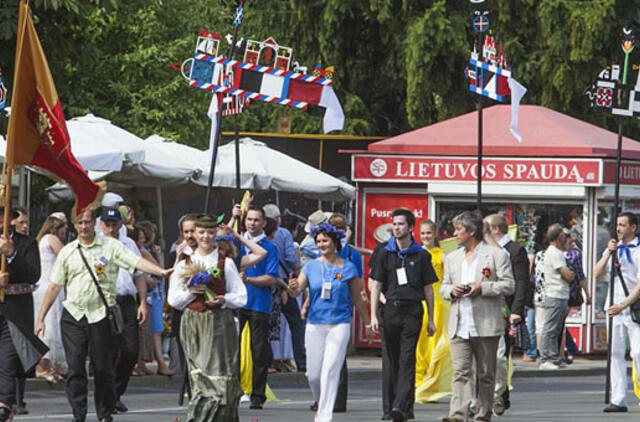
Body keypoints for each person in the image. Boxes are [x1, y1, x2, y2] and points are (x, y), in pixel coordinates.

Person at [35, 208, 171, 422]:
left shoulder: (110, 246)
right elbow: (54, 286)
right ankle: (78, 414)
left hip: (100, 314)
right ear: (74, 225)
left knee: (103, 369)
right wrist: (41, 317)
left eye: (87, 222)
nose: (84, 227)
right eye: (79, 223)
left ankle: (104, 413)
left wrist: (159, 271)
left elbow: (135, 262)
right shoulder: (69, 251)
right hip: (74, 314)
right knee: (76, 367)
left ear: (94, 224)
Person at [289, 223, 374, 422]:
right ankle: (321, 403)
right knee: (314, 374)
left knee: (331, 369)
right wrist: (292, 287)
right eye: (318, 241)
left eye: (325, 241)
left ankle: (325, 416)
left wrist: (368, 323)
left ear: (335, 242)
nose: (321, 244)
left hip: (339, 323)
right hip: (315, 323)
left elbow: (358, 298)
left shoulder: (349, 267)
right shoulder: (310, 266)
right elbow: (297, 289)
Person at [168, 214, 248, 422]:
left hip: (220, 323)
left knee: (221, 374)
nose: (205, 237)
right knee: (200, 376)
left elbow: (241, 296)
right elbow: (174, 299)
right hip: (193, 323)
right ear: (194, 234)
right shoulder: (185, 264)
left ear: (216, 235)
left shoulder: (226, 263)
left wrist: (223, 300)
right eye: (201, 232)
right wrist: (191, 292)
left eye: (210, 232)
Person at [440, 211, 515, 422]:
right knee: (461, 371)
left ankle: (482, 413)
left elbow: (509, 285)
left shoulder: (496, 254)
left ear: (471, 231)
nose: (454, 234)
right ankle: (457, 414)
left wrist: (482, 287)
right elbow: (443, 286)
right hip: (459, 323)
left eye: (458, 230)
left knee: (485, 373)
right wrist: (452, 291)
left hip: (485, 323)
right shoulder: (453, 258)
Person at [369, 208, 437, 422]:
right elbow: (376, 285)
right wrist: (373, 315)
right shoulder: (384, 252)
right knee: (391, 360)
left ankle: (401, 407)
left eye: (400, 224)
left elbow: (428, 290)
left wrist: (432, 319)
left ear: (410, 227)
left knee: (407, 359)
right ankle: (390, 408)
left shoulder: (421, 255)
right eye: (394, 224)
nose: (396, 228)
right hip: (390, 311)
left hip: (412, 312)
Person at [99, 209, 148, 414]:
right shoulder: (97, 244)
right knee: (107, 353)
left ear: (120, 224)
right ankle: (107, 398)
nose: (111, 228)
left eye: (114, 224)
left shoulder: (128, 244)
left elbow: (139, 273)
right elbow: (97, 270)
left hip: (127, 300)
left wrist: (143, 302)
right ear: (101, 224)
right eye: (107, 223)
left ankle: (116, 392)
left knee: (130, 351)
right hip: (105, 300)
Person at [0, 206, 45, 422]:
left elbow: (33, 274)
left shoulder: (26, 243)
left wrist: (11, 254)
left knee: (7, 361)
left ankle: (4, 405)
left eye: (2, 215)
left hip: (14, 313)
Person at [484, 213, 531, 416]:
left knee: (500, 356)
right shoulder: (483, 250)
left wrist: (516, 310)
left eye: (485, 228)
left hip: (506, 309)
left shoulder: (515, 250)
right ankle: (483, 397)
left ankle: (500, 395)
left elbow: (522, 282)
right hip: (485, 308)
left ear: (495, 229)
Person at [594, 212, 640, 413]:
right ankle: (618, 398)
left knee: (638, 352)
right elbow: (596, 273)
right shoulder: (614, 248)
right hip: (613, 308)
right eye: (617, 225)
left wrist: (624, 304)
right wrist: (607, 253)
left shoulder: (638, 250)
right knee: (615, 353)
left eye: (623, 225)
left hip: (633, 307)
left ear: (633, 228)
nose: (619, 228)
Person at [238, 206, 279, 410]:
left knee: (259, 351)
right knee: (232, 349)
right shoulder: (237, 242)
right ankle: (234, 390)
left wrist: (250, 279)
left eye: (256, 220)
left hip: (259, 304)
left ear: (263, 223)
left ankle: (257, 395)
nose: (252, 223)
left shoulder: (269, 247)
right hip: (236, 302)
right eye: (249, 219)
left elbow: (271, 278)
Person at [263, 204, 306, 373]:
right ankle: (301, 361)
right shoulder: (284, 234)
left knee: (266, 324)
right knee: (295, 322)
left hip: (265, 284)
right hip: (284, 284)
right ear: (277, 219)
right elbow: (291, 259)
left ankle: (268, 360)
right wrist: (296, 269)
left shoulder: (257, 237)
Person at [415, 219, 452, 405]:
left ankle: (431, 384)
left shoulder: (441, 255)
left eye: (429, 233)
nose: (426, 237)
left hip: (436, 305)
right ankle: (419, 383)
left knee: (434, 345)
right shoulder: (415, 252)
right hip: (418, 304)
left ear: (436, 234)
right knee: (419, 346)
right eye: (422, 233)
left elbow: (452, 273)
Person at [33, 216, 68, 383]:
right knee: (51, 327)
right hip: (51, 286)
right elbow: (65, 258)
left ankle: (51, 365)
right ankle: (43, 365)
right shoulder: (51, 238)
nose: (65, 231)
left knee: (47, 325)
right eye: (63, 228)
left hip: (41, 287)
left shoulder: (40, 240)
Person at [535, 224, 575, 370]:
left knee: (555, 328)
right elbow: (567, 275)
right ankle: (546, 358)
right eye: (564, 236)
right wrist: (571, 274)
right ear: (559, 237)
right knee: (550, 328)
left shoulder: (554, 252)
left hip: (558, 294)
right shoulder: (554, 253)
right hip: (555, 294)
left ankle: (553, 356)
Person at [136, 221, 173, 377]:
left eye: (144, 237)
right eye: (141, 237)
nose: (143, 240)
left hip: (157, 293)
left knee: (155, 330)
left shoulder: (147, 250)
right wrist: (157, 256)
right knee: (155, 330)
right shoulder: (143, 252)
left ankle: (144, 362)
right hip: (152, 296)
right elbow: (159, 269)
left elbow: (162, 271)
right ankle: (160, 363)